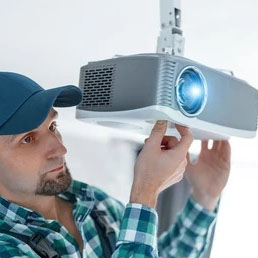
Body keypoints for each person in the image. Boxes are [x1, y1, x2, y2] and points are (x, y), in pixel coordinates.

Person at [0, 71, 231, 258]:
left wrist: (204, 197)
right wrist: (144, 195)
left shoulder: (95, 204)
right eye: (28, 139)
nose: (60, 149)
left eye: (52, 127)